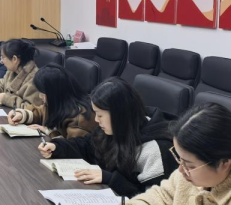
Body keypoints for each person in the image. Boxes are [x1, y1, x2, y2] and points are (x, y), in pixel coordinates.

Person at [110, 103, 231, 205]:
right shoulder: (189, 175)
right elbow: (164, 196)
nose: (181, 170)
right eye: (179, 159)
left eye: (190, 165)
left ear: (224, 163)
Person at [39, 77, 177, 197]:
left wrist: (111, 179)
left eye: (100, 115)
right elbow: (88, 145)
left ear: (119, 115)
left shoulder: (157, 150)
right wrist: (57, 146)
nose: (96, 120)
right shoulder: (117, 127)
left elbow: (153, 202)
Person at [7, 63, 98, 138]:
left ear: (54, 93)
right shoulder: (59, 102)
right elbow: (42, 112)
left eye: (42, 93)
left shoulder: (80, 118)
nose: (40, 96)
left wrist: (50, 131)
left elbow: (73, 148)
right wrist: (21, 115)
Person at [0, 39, 41, 108]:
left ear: (14, 59)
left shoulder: (35, 79)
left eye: (3, 57)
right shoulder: (12, 70)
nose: (1, 61)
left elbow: (32, 108)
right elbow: (2, 83)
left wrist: (7, 99)